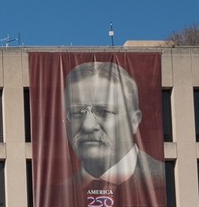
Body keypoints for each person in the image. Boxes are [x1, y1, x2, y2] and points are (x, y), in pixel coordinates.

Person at [61, 60, 166, 196]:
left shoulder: (164, 180)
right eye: (76, 113)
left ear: (134, 121)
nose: (88, 126)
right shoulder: (55, 194)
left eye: (104, 112)